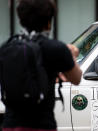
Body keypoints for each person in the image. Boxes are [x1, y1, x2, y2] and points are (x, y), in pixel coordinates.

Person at [1, 0, 82, 131]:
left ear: (21, 19)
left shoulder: (8, 46)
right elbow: (76, 78)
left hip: (10, 124)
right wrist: (72, 54)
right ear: (49, 22)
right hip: (42, 124)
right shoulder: (56, 48)